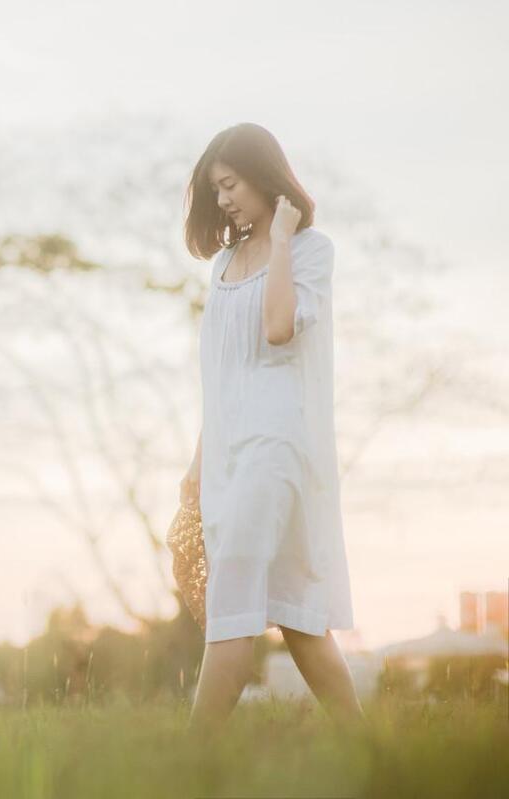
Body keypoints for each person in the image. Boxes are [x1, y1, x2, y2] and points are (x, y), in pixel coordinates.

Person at [179, 123, 368, 733]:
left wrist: (283, 237)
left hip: (278, 444)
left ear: (264, 176)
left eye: (231, 184)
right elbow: (224, 373)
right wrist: (198, 463)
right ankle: (365, 745)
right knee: (295, 614)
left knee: (233, 594)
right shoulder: (226, 263)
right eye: (216, 190)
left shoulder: (311, 250)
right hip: (230, 451)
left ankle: (190, 755)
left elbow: (279, 328)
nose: (225, 199)